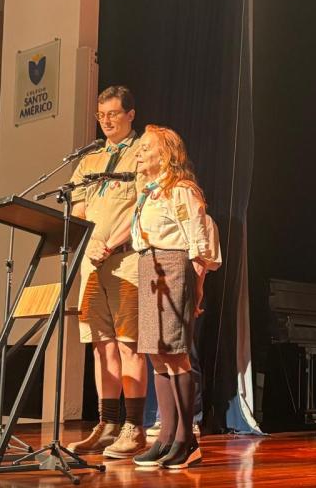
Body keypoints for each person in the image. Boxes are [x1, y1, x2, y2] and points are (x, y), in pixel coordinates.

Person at [130, 125, 219, 469]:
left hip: (173, 265)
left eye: (146, 147)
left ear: (165, 154)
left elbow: (198, 241)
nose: (139, 153)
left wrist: (197, 286)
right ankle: (165, 436)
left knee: (176, 353)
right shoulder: (148, 192)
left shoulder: (182, 190)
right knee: (156, 353)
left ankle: (186, 439)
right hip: (148, 265)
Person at [65, 85, 148, 459]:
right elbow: (78, 208)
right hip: (91, 263)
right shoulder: (89, 159)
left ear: (130, 114)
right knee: (101, 347)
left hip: (127, 262)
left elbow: (142, 209)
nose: (106, 121)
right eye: (101, 115)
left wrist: (111, 244)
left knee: (129, 344)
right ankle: (107, 424)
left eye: (113, 114)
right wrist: (90, 242)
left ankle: (134, 427)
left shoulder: (143, 152)